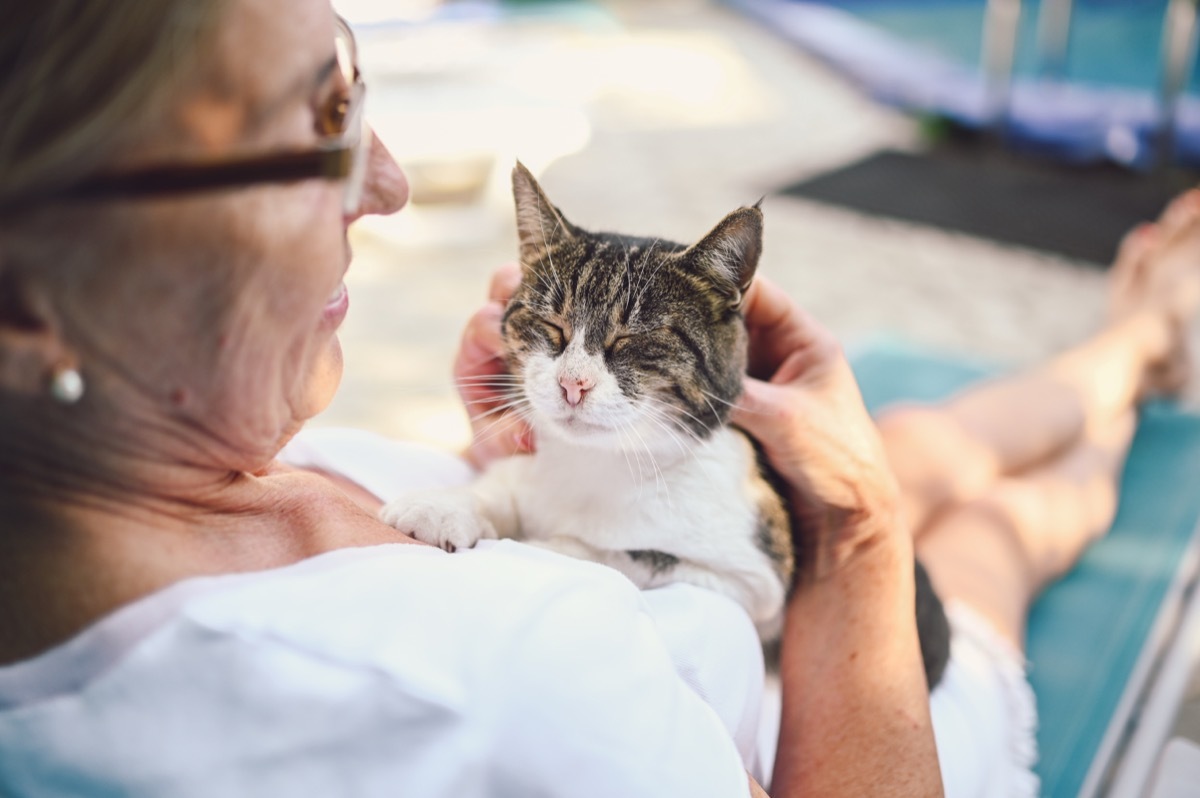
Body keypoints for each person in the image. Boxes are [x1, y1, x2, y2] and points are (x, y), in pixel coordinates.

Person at [0, 1, 1197, 795]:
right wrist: (868, 528)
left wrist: (512, 475)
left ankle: (1127, 345)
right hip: (880, 716)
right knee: (992, 537)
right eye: (317, 123)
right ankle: (1138, 363)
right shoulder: (506, 692)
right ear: (30, 300)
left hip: (695, 540)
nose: (393, 182)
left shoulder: (146, 463)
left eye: (359, 93)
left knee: (927, 439)